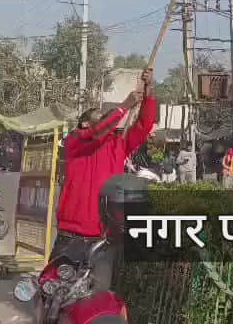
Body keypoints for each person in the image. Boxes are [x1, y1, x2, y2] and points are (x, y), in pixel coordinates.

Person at [51, 70, 157, 291]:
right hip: (70, 237)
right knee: (54, 295)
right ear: (84, 125)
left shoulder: (118, 144)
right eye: (97, 117)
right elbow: (98, 133)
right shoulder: (74, 141)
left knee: (97, 299)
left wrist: (149, 92)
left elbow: (144, 124)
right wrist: (125, 105)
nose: (103, 120)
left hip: (102, 239)